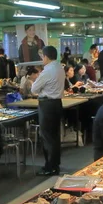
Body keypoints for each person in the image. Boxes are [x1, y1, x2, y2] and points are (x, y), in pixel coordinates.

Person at [31, 46, 65, 176]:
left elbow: (34, 89)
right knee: (55, 136)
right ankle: (55, 165)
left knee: (47, 137)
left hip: (47, 105)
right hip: (57, 103)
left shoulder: (47, 71)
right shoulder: (60, 68)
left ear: (45, 56)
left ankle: (49, 166)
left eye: (42, 56)